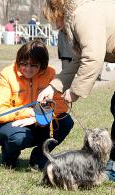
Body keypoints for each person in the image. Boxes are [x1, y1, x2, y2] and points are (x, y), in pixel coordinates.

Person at [38, 0, 115, 179]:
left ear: (59, 11)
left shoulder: (83, 16)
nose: (55, 26)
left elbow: (92, 58)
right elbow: (80, 60)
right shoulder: (78, 15)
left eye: (54, 19)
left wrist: (74, 92)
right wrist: (54, 87)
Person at [0, 40, 74, 170]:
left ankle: (39, 157)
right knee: (18, 138)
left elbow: (61, 106)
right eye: (24, 64)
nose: (28, 69)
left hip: (39, 122)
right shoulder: (7, 74)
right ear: (18, 61)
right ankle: (10, 155)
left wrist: (36, 118)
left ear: (42, 64)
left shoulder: (51, 73)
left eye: (34, 65)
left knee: (65, 121)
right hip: (9, 125)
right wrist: (28, 113)